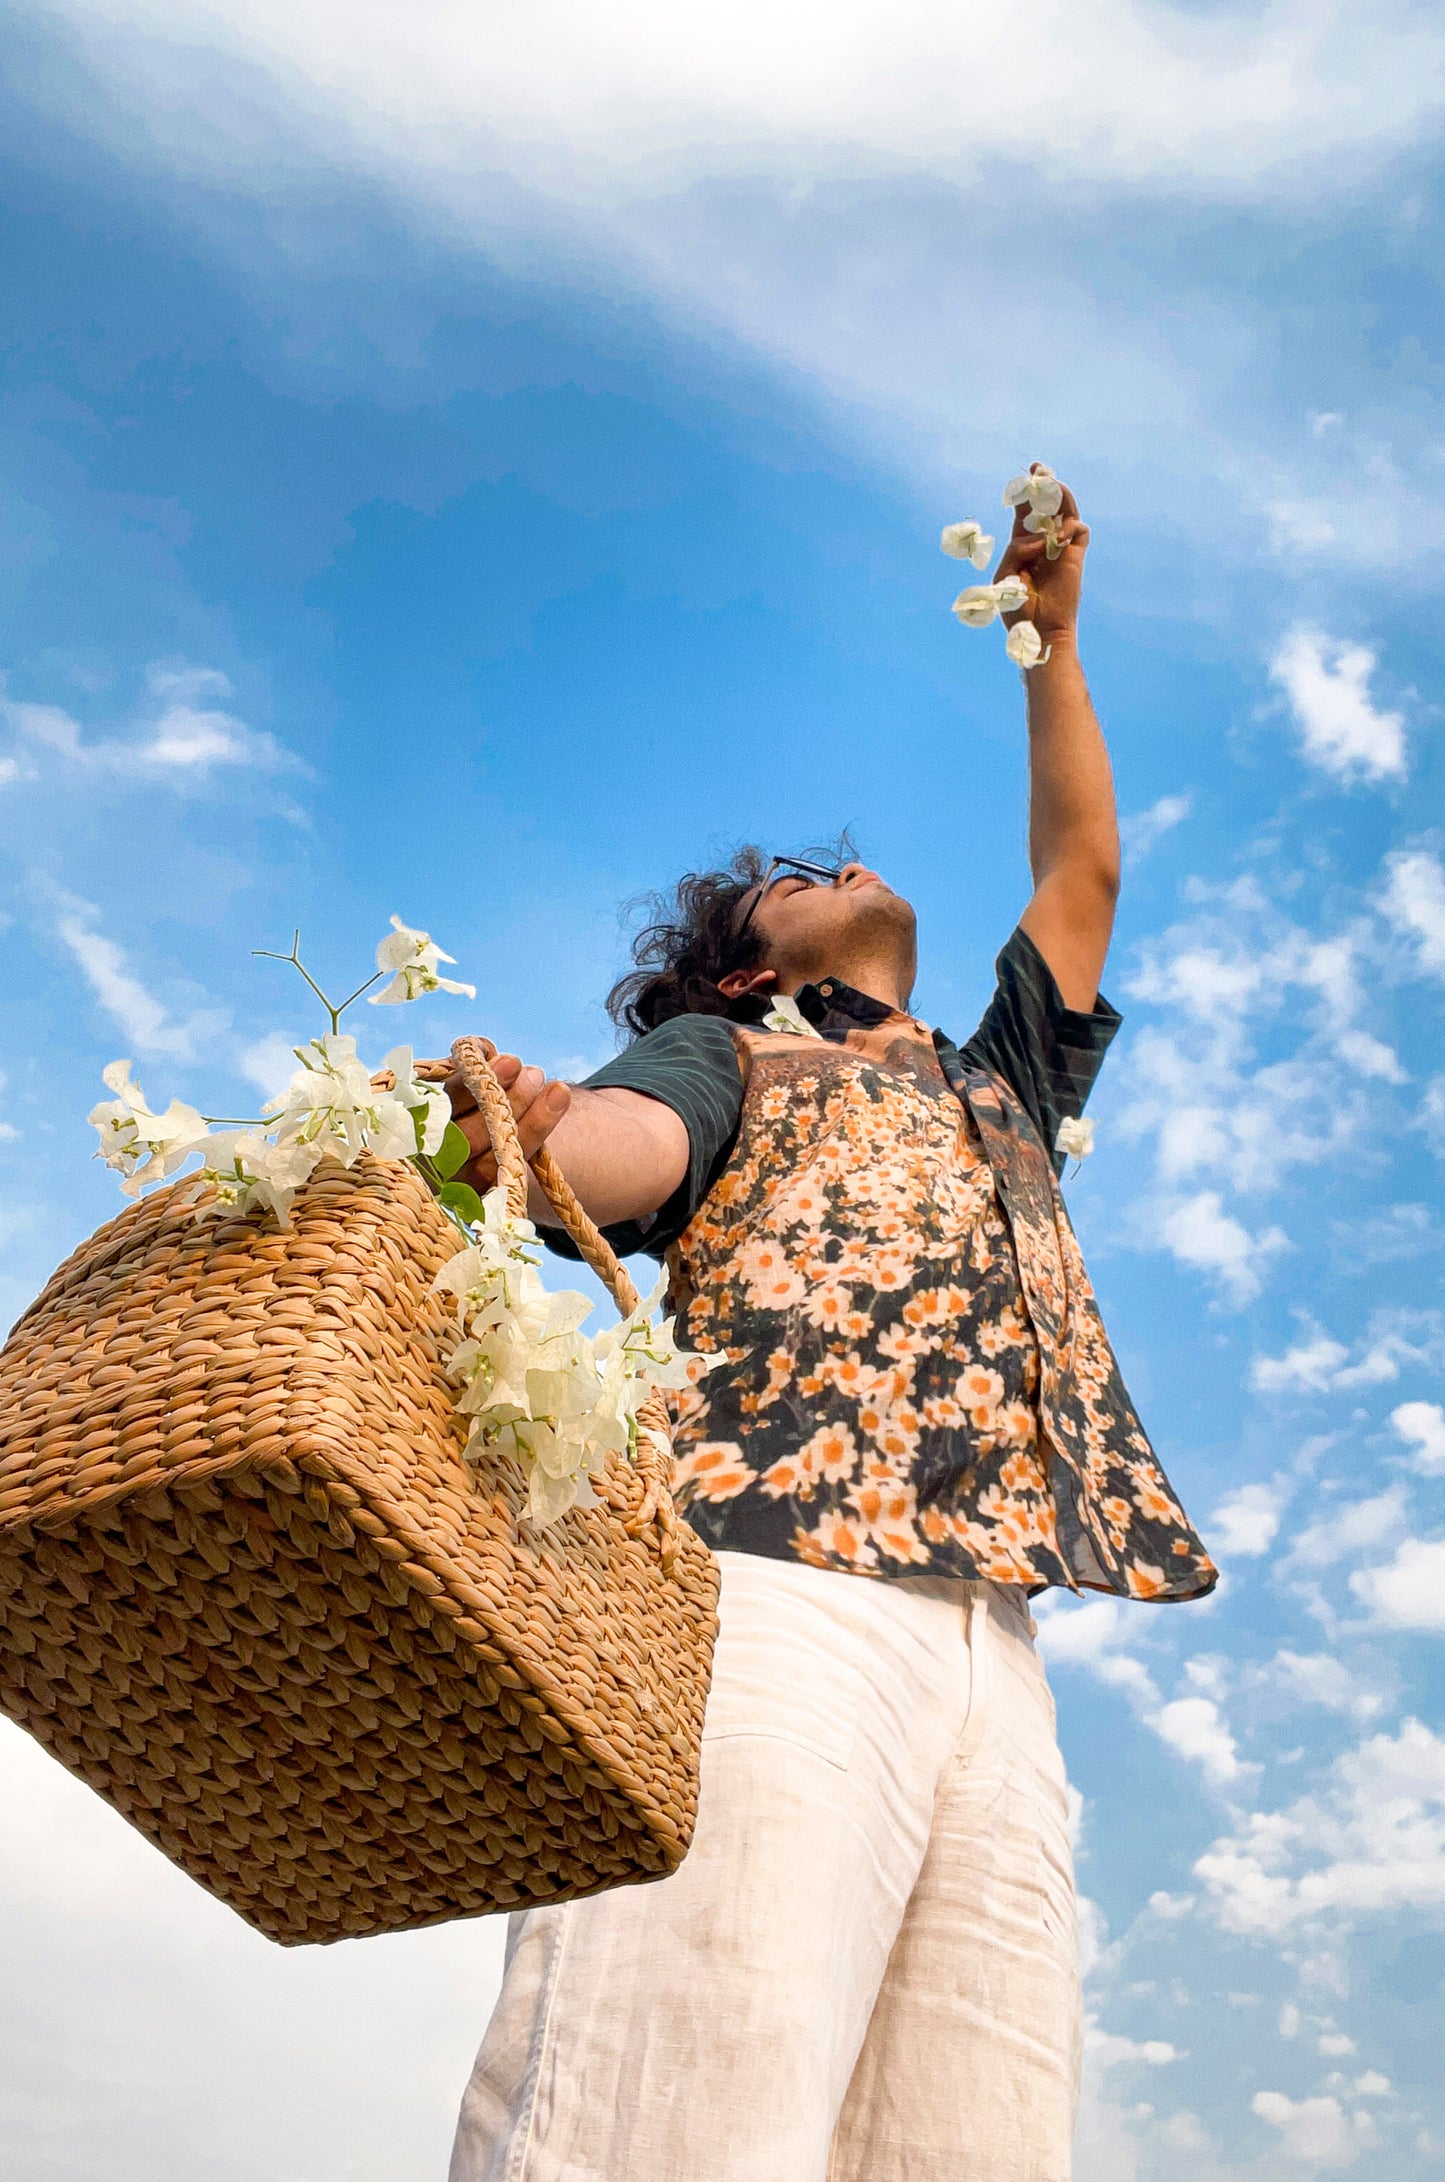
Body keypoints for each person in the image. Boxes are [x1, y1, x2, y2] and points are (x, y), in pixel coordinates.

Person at [441, 472, 1217, 2182]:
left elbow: (1080, 864)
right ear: (739, 968)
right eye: (784, 878)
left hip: (991, 1647)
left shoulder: (993, 1077)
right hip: (758, 1582)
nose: (829, 864)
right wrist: (525, 1124)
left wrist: (1050, 637)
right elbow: (615, 1154)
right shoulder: (727, 1057)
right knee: (673, 2093)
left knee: (975, 2143)